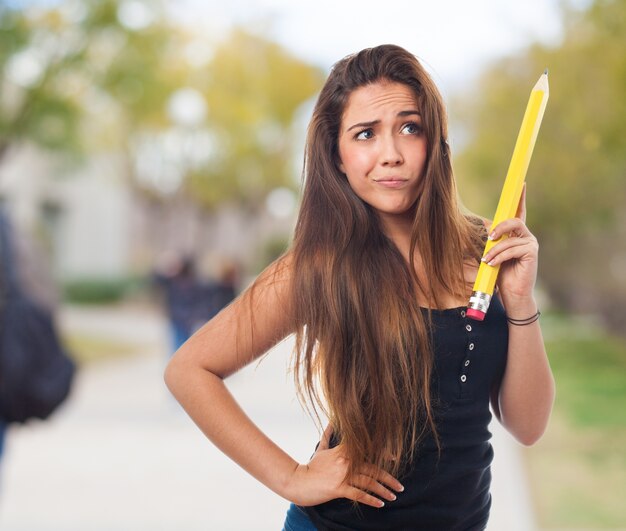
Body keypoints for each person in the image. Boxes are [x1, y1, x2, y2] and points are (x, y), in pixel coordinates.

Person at [164, 44, 555, 530]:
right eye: (365, 134)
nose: (390, 154)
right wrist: (292, 477)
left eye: (409, 128)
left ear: (436, 142)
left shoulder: (489, 250)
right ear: (339, 157)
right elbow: (189, 369)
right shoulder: (321, 266)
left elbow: (528, 425)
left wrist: (520, 301)